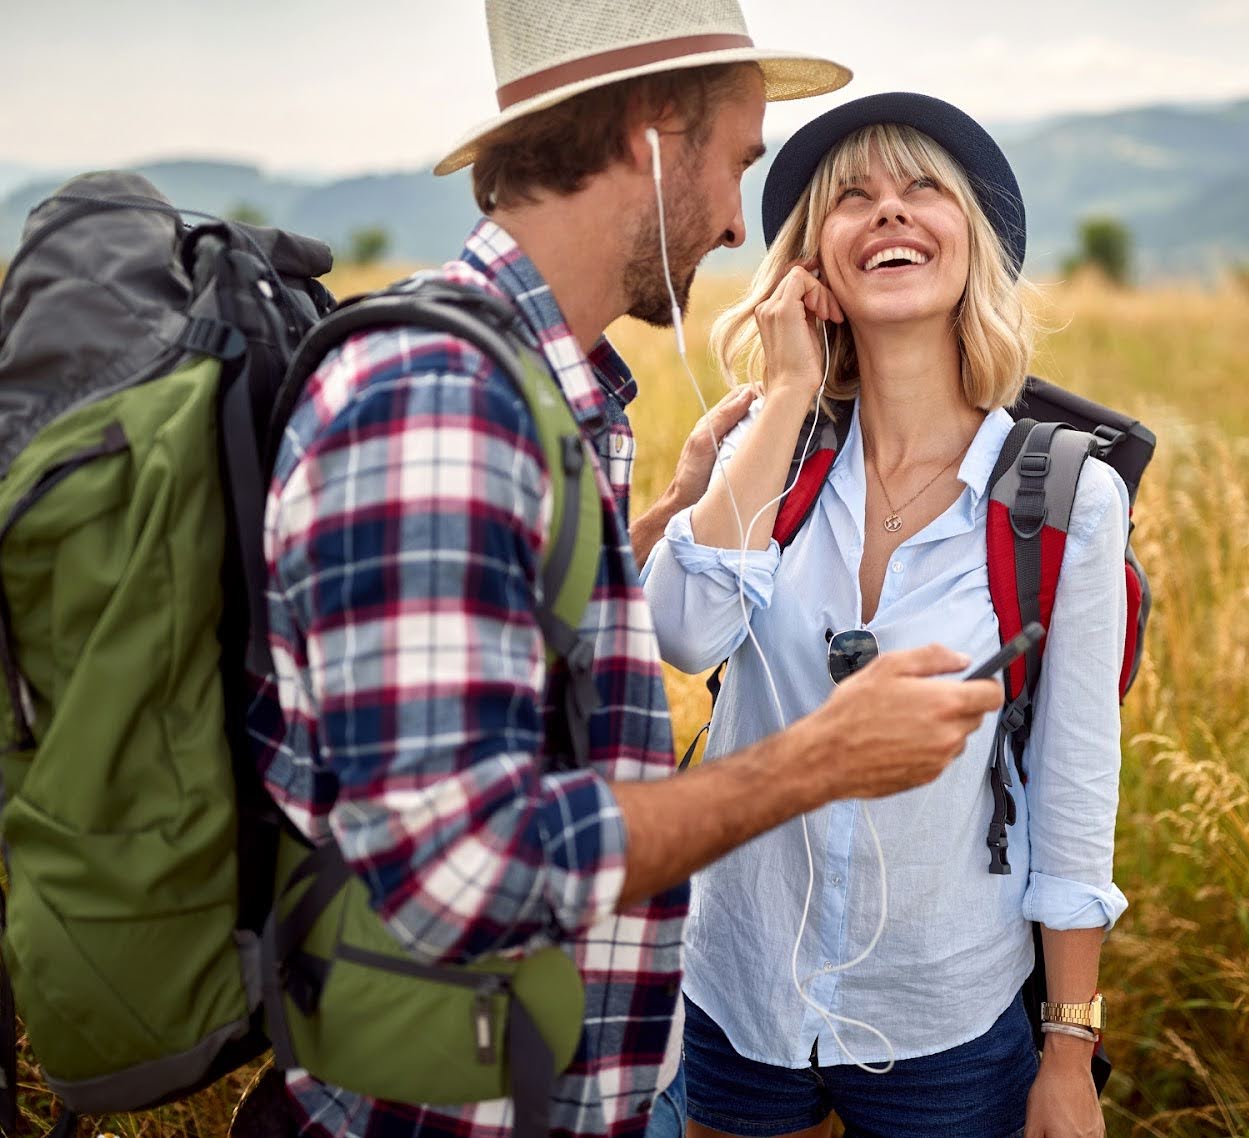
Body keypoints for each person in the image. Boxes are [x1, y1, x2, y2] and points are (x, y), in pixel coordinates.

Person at [246, 4, 1007, 1134]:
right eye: (740, 162)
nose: (744, 231)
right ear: (656, 127)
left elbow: (530, 655)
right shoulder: (439, 404)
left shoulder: (549, 392)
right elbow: (460, 867)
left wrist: (652, 526)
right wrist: (814, 761)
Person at [641, 93, 1129, 1138]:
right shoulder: (773, 450)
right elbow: (682, 635)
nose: (891, 214)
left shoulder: (1062, 496)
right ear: (811, 264)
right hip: (737, 985)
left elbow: (1074, 786)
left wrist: (1070, 1052)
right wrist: (783, 395)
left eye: (922, 191)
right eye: (853, 199)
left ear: (974, 240)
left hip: (945, 1005)